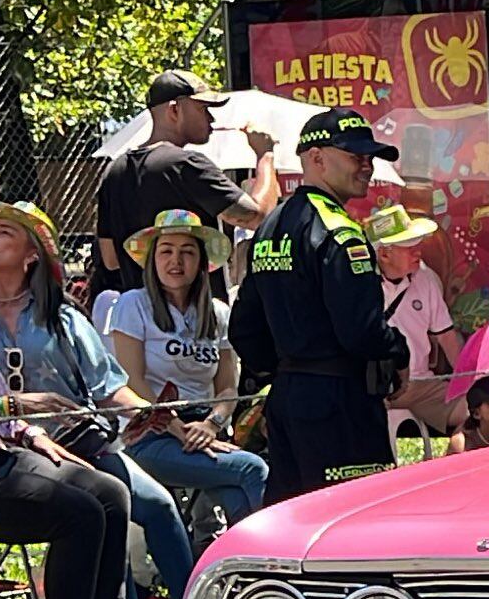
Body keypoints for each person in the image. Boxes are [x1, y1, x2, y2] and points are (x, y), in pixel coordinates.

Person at [0, 202, 185, 599]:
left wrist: (142, 410)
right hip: (13, 450)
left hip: (78, 443)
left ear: (32, 254)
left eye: (4, 230)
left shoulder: (63, 318)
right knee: (97, 498)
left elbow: (108, 384)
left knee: (153, 504)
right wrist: (21, 409)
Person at [228, 107, 410, 502]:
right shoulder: (341, 232)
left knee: (294, 526)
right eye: (355, 156)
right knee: (354, 524)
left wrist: (288, 369)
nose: (367, 166)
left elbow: (244, 330)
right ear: (316, 158)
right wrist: (398, 350)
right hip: (340, 403)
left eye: (370, 157)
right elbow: (362, 332)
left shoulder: (270, 226)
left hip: (288, 400)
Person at [0, 387, 149, 599]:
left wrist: (30, 432)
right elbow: (2, 403)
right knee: (79, 514)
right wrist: (11, 405)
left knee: (109, 494)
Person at [107, 210, 268, 527]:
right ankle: (274, 559)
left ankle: (232, 567)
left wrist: (211, 424)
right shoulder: (132, 305)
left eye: (187, 252)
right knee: (253, 469)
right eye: (166, 251)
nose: (175, 261)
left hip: (203, 431)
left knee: (237, 496)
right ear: (153, 259)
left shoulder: (218, 312)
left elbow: (227, 387)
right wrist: (181, 430)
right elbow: (133, 383)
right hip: (149, 434)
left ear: (202, 262)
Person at [95, 70, 280, 291]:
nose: (211, 118)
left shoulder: (114, 171)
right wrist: (265, 155)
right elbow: (257, 217)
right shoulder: (185, 165)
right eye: (203, 109)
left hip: (138, 316)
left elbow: (111, 259)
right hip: (194, 316)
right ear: (175, 110)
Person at [367, 204, 465, 440]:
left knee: (482, 410)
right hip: (371, 389)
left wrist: (470, 380)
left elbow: (446, 336)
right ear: (384, 254)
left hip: (421, 385)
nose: (418, 251)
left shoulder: (426, 277)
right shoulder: (357, 284)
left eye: (417, 243)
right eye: (409, 246)